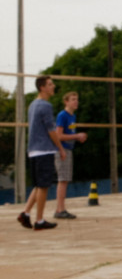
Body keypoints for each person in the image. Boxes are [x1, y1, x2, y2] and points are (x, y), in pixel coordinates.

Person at [17, 76, 67, 231]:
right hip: (44, 150)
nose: (53, 86)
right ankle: (39, 220)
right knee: (43, 186)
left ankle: (25, 213)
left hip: (33, 150)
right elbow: (51, 130)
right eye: (50, 84)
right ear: (42, 87)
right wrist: (60, 148)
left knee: (39, 185)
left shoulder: (33, 104)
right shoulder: (45, 106)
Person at [53, 91, 88, 219]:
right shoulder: (62, 115)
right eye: (73, 99)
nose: (76, 101)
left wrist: (77, 138)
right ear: (66, 102)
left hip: (68, 149)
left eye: (76, 99)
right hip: (62, 150)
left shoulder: (72, 116)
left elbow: (69, 134)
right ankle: (60, 209)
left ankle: (61, 208)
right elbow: (58, 135)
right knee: (62, 180)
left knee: (65, 180)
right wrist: (77, 136)